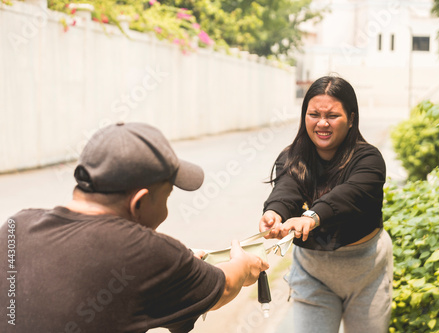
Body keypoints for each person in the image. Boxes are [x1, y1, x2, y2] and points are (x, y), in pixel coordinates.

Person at [0, 122, 268, 333]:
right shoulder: (148, 252)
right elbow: (227, 286)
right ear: (139, 201)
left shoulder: (16, 226)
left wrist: (180, 267)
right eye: (167, 197)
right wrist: (244, 263)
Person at [259, 76, 393, 333]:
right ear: (304, 116)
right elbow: (287, 188)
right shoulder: (291, 157)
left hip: (367, 273)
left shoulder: (369, 159)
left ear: (351, 119)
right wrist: (273, 212)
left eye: (332, 115)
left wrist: (310, 216)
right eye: (314, 114)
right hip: (313, 273)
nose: (322, 123)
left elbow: (349, 195)